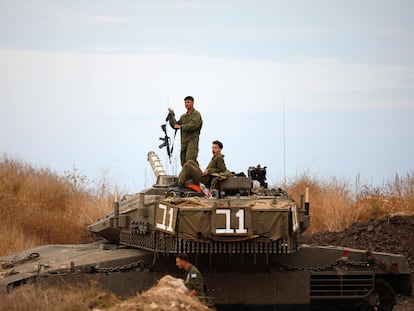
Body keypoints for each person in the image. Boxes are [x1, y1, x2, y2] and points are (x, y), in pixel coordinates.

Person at [168, 96, 203, 166]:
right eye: (185, 102)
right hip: (184, 142)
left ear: (193, 103)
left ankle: (198, 175)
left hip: (192, 141)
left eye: (188, 102)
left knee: (190, 160)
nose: (186, 104)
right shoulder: (183, 116)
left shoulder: (196, 114)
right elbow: (175, 125)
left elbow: (193, 125)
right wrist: (171, 115)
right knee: (183, 162)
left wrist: (181, 126)